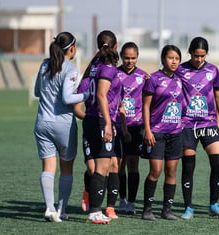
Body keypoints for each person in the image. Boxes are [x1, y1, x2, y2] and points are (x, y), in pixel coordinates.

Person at [34, 31, 89, 222]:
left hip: (42, 123)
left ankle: (49, 209)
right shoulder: (70, 69)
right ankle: (61, 209)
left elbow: (36, 91)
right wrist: (85, 95)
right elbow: (67, 98)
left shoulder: (44, 65)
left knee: (48, 167)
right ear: (72, 48)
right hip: (63, 125)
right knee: (66, 169)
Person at [175, 36, 219, 220]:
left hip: (208, 123)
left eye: (202, 56)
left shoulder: (212, 70)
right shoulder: (181, 69)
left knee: (218, 162)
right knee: (188, 166)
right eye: (196, 55)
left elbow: (218, 95)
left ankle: (213, 204)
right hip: (187, 125)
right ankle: (188, 208)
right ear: (190, 52)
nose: (199, 59)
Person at [82, 30, 122, 224]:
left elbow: (81, 91)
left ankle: (95, 209)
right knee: (103, 166)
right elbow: (101, 95)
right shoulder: (107, 66)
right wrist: (108, 122)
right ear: (115, 46)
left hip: (90, 118)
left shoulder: (93, 65)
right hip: (99, 120)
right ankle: (95, 211)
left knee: (101, 167)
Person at [141, 45, 184, 221]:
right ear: (163, 59)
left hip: (175, 133)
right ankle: (147, 209)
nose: (173, 62)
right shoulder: (154, 79)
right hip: (156, 133)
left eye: (176, 59)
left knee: (172, 171)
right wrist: (148, 130)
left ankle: (167, 210)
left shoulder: (181, 78)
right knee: (155, 171)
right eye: (170, 58)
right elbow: (145, 106)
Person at [115, 42, 147, 215]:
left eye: (133, 58)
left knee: (133, 164)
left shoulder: (143, 76)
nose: (129, 61)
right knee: (119, 165)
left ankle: (132, 203)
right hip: (118, 127)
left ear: (137, 57)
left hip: (135, 127)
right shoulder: (115, 74)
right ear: (121, 56)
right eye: (126, 58)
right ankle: (122, 199)